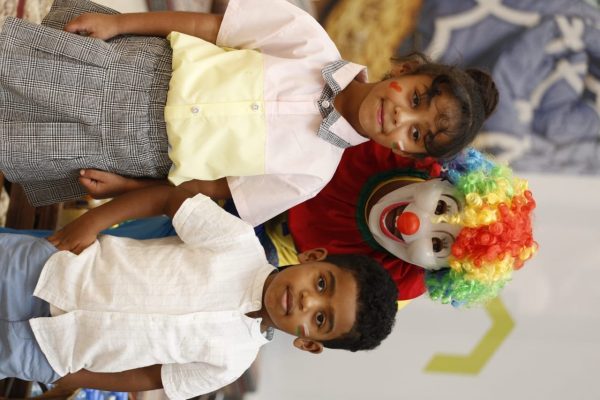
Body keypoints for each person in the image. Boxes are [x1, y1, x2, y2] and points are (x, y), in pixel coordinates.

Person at [0, 0, 499, 227]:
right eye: (416, 99)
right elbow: (211, 26)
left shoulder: (311, 174)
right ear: (405, 70)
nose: (401, 119)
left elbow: (211, 189)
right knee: (13, 64)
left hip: (133, 150)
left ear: (403, 153)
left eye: (416, 135)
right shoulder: (308, 41)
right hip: (131, 70)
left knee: (16, 139)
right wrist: (122, 24)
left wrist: (128, 188)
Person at [0, 182, 398, 399]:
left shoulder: (232, 363)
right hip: (46, 271)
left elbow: (150, 376)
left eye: (321, 318)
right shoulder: (237, 242)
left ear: (308, 343)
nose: (308, 300)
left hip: (50, 353)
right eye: (322, 282)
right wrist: (92, 223)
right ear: (312, 256)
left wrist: (72, 374)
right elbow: (170, 199)